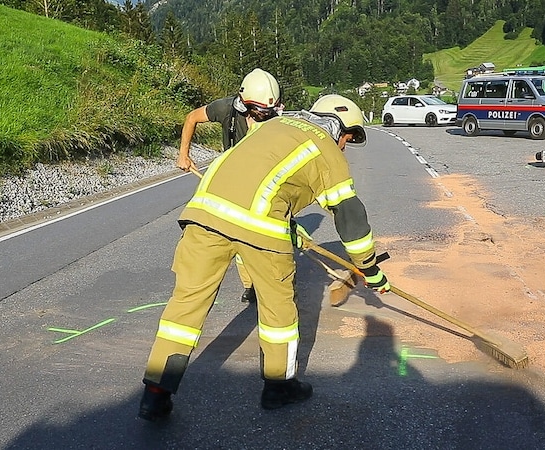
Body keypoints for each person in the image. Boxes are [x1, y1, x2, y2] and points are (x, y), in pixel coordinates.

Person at [137, 94, 390, 421]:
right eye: (347, 137)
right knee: (278, 309)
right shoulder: (326, 149)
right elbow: (350, 216)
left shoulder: (272, 126)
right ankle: (279, 388)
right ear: (337, 126)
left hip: (204, 216)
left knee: (184, 308)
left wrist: (289, 225)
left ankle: (155, 394)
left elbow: (260, 180)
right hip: (259, 231)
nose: (344, 145)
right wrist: (370, 270)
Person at [177, 68, 283, 303]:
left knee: (267, 235)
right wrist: (183, 154)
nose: (263, 117)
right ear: (243, 104)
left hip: (264, 180)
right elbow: (192, 117)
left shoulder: (276, 120)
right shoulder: (226, 109)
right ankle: (251, 285)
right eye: (258, 112)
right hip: (232, 178)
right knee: (237, 231)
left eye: (268, 112)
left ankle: (274, 279)